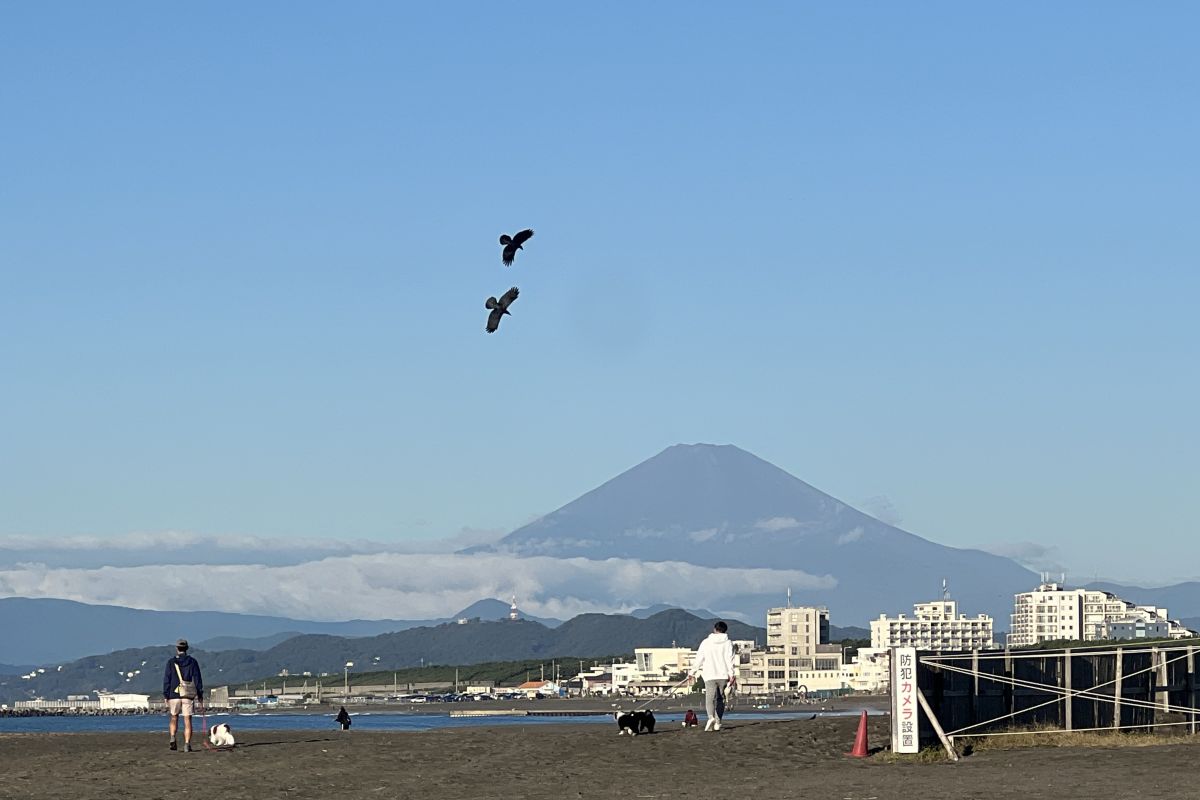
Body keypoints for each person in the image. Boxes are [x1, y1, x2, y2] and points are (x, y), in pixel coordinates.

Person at [689, 620, 737, 732]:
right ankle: (718, 722)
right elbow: (730, 660)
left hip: (709, 674)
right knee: (721, 699)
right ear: (725, 631)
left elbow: (699, 659)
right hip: (723, 675)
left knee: (709, 698)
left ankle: (710, 717)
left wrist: (692, 672)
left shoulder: (706, 642)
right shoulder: (728, 643)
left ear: (714, 629)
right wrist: (732, 674)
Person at [163, 638, 204, 752]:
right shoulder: (193, 662)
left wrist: (166, 694)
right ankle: (187, 744)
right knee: (187, 720)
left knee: (174, 717)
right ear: (187, 648)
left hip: (173, 694)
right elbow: (197, 679)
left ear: (177, 649)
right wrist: (200, 694)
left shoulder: (171, 662)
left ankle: (172, 737)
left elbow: (167, 679)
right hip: (187, 694)